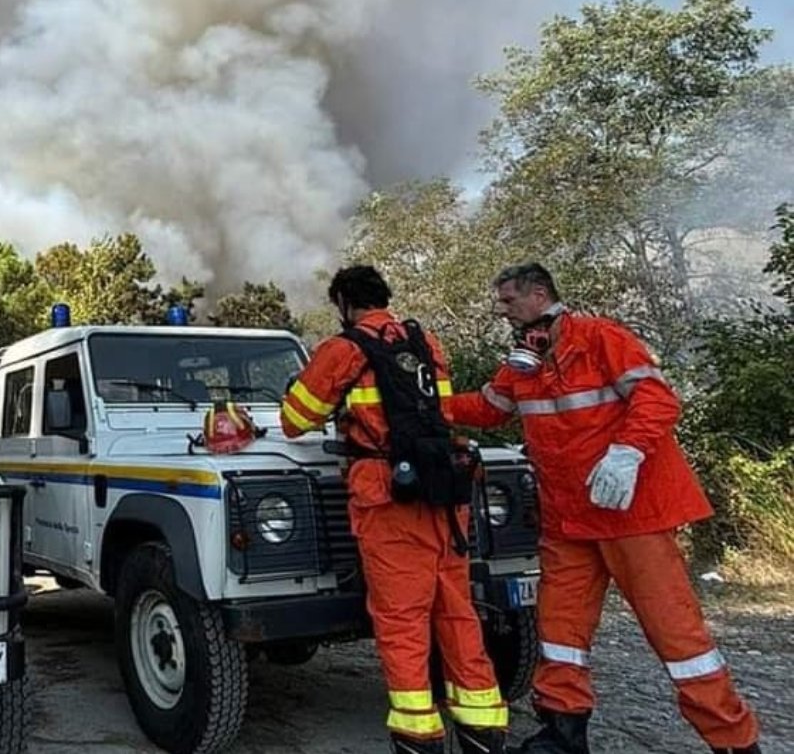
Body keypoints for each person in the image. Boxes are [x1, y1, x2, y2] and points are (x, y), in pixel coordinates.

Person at [447, 263, 761, 754]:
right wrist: (422, 402)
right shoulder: (523, 362)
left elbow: (656, 398)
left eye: (509, 300)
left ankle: (734, 741)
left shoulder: (600, 338)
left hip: (631, 516)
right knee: (559, 630)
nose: (500, 309)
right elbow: (487, 408)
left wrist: (627, 452)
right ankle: (562, 730)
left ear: (540, 294)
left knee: (677, 636)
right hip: (569, 521)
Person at [281, 265, 509, 754]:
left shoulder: (344, 349)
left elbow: (294, 421)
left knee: (402, 620)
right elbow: (441, 414)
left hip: (389, 498)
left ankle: (417, 736)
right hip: (445, 494)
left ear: (344, 303)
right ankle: (483, 728)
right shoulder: (426, 343)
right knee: (457, 612)